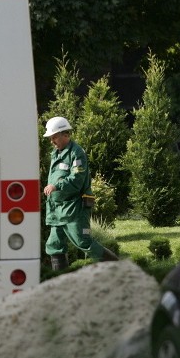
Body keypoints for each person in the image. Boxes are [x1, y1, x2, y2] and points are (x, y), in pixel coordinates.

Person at [42, 116, 118, 270]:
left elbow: (77, 178)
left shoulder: (76, 153)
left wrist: (56, 186)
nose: (52, 141)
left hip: (74, 208)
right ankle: (61, 279)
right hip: (57, 209)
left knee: (83, 241)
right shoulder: (55, 154)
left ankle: (118, 268)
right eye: (50, 138)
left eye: (54, 137)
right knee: (54, 244)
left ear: (65, 134)